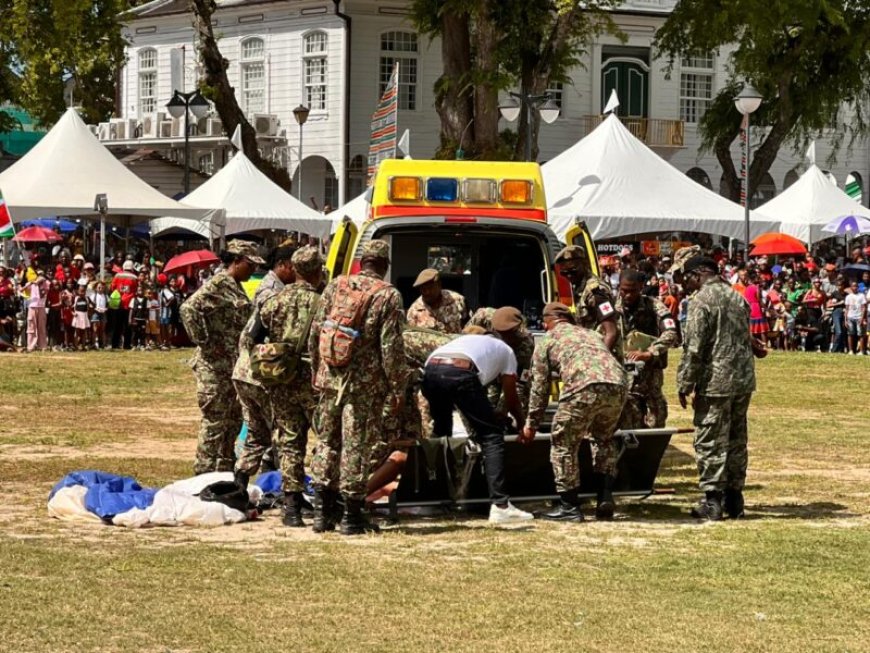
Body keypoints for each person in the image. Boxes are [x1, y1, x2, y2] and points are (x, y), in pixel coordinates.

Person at [308, 239, 407, 535]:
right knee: (356, 445)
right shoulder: (388, 295)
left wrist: (317, 371)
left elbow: (316, 332)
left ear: (362, 262)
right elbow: (391, 348)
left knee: (327, 441)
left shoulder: (336, 286)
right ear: (384, 265)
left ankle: (322, 513)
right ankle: (351, 516)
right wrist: (397, 388)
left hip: (329, 378)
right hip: (363, 387)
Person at [523, 303, 628, 521]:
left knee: (564, 444)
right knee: (604, 439)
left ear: (547, 323)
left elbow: (540, 387)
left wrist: (531, 423)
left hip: (583, 386)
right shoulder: (592, 334)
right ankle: (605, 496)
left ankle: (569, 506)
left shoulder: (547, 340)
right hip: (617, 384)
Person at [422, 332, 534, 525]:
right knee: (492, 436)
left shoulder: (468, 342)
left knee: (442, 431)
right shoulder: (506, 351)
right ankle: (500, 505)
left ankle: (434, 498)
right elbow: (511, 397)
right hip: (460, 372)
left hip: (431, 370)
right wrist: (522, 425)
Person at [677, 256, 758, 521]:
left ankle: (713, 501)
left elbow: (694, 348)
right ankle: (735, 499)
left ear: (698, 274)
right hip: (742, 379)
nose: (686, 283)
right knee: (736, 439)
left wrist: (685, 382)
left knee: (710, 440)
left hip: (715, 382)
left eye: (687, 277)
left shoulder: (701, 300)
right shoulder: (738, 297)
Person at [253, 246, 324, 527]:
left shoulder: (273, 301)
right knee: (326, 440)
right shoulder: (324, 303)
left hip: (281, 379)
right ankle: (323, 504)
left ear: (294, 270)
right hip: (314, 380)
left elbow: (253, 337)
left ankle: (291, 508)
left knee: (289, 442)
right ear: (317, 272)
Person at [181, 240, 260, 475]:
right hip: (214, 368)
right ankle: (203, 473)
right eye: (250, 264)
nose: (253, 270)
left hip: (231, 366)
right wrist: (205, 341)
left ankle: (224, 471)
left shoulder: (235, 286)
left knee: (233, 420)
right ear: (236, 261)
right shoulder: (219, 284)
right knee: (214, 422)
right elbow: (188, 309)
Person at [232, 244, 297, 520]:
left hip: (247, 372)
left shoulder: (276, 288)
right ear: (282, 265)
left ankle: (239, 487)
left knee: (258, 433)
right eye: (293, 266)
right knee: (284, 431)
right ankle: (288, 494)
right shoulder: (272, 292)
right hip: (260, 373)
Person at [616, 269, 680, 429]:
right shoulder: (611, 308)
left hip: (650, 373)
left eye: (633, 291)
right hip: (622, 374)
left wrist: (649, 352)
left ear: (641, 287)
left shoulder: (654, 306)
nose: (628, 295)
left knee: (656, 419)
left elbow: (671, 333)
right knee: (627, 420)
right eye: (624, 291)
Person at [553, 245, 621, 357]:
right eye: (564, 273)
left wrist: (599, 360)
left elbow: (611, 332)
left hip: (602, 355)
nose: (569, 276)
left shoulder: (595, 291)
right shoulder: (579, 287)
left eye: (573, 270)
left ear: (584, 264)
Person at [406, 268, 467, 333]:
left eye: (430, 288)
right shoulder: (414, 311)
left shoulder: (457, 300)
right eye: (423, 289)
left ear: (439, 285)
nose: (427, 292)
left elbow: (467, 326)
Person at [110, 260, 138, 350]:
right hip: (129, 304)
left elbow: (112, 287)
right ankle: (126, 345)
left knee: (117, 325)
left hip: (118, 303)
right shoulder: (134, 277)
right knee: (128, 326)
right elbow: (135, 290)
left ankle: (115, 344)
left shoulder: (117, 275)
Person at [24, 272, 49, 352]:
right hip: (32, 306)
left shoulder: (46, 283)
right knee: (31, 327)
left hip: (41, 306)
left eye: (41, 275)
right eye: (38, 275)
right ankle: (31, 346)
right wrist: (30, 283)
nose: (40, 277)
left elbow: (42, 294)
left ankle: (42, 346)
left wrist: (38, 284)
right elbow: (23, 291)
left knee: (41, 327)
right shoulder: (31, 284)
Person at [845, 280, 867, 355]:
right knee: (850, 334)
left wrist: (862, 318)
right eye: (853, 286)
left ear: (858, 287)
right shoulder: (848, 297)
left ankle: (861, 351)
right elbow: (847, 308)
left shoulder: (861, 296)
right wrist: (845, 320)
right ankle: (851, 350)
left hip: (859, 317)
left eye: (856, 286)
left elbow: (864, 307)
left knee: (861, 334)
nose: (855, 287)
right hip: (850, 317)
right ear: (851, 287)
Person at [71, 285, 91, 350]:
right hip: (78, 316)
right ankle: (76, 346)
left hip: (84, 315)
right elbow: (71, 308)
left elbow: (88, 307)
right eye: (81, 291)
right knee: (76, 332)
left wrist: (88, 314)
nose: (82, 293)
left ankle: (83, 347)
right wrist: (73, 313)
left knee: (84, 332)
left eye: (83, 291)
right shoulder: (76, 298)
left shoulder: (87, 299)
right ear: (78, 291)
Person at [91, 281, 108, 349]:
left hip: (103, 313)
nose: (100, 289)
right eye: (99, 287)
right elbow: (91, 305)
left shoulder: (106, 296)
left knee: (103, 329)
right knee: (95, 329)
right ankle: (93, 344)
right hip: (95, 313)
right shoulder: (94, 295)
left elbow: (108, 305)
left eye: (102, 288)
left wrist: (106, 309)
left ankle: (103, 344)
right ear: (96, 288)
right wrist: (95, 308)